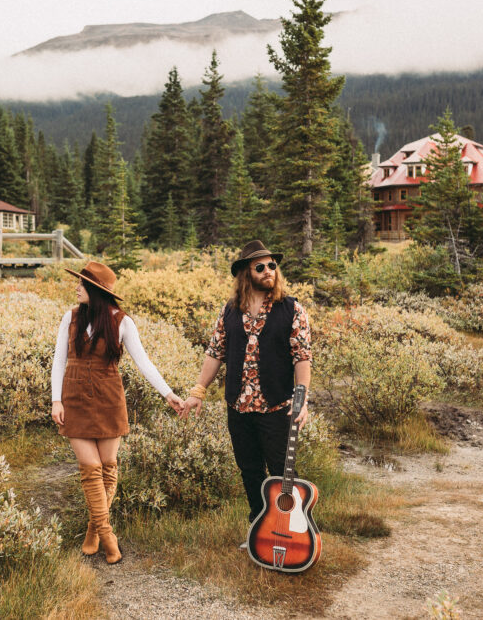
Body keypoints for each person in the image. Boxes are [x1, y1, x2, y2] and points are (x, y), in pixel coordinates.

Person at [51, 260, 185, 564]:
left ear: (96, 291)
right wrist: (55, 400)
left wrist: (168, 394)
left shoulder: (122, 322)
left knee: (108, 467)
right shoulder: (69, 317)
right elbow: (58, 361)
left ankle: (93, 530)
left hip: (109, 399)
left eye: (82, 284)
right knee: (90, 469)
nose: (76, 288)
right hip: (74, 400)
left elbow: (144, 363)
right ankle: (108, 536)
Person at [179, 240, 311, 547]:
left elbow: (302, 357)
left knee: (281, 472)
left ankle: (292, 534)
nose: (269, 272)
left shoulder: (292, 309)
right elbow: (215, 353)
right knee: (249, 470)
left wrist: (301, 400)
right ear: (245, 273)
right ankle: (258, 530)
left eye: (273, 266)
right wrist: (198, 391)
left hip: (277, 406)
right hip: (238, 407)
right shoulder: (230, 311)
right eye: (261, 267)